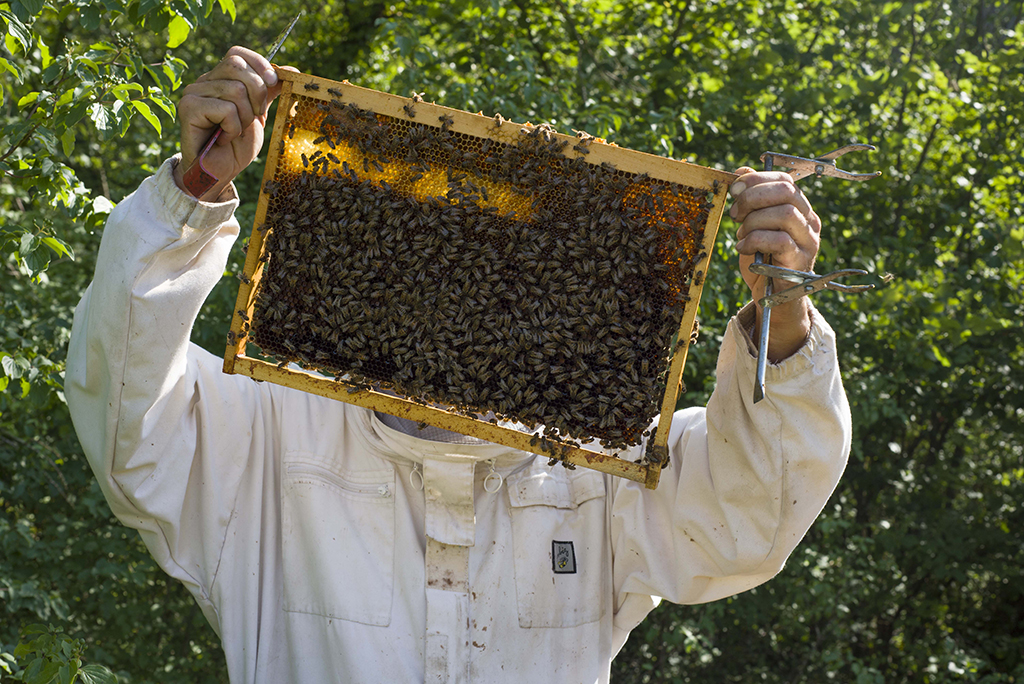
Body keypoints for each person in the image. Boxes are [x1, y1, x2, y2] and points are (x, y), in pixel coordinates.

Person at [65, 46, 850, 684]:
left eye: (505, 266)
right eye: (438, 258)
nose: (460, 287)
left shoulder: (598, 471)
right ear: (373, 262)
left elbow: (751, 512)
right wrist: (194, 190)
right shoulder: (266, 439)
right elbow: (126, 406)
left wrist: (784, 313)